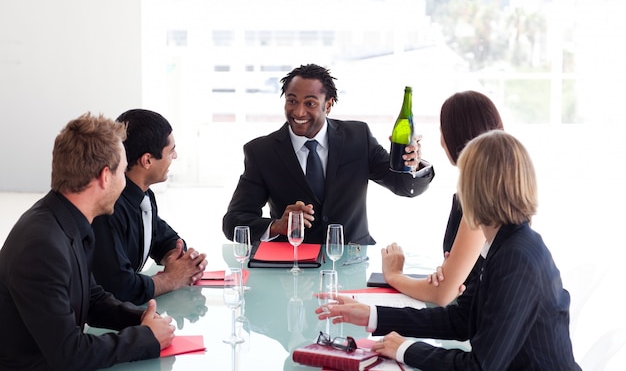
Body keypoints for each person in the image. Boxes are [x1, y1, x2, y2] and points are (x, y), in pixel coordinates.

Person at [316, 130, 581, 371]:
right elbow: (461, 320)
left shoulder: (515, 257)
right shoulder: (507, 244)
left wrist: (406, 349)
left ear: (476, 189)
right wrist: (372, 314)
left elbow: (480, 367)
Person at [0, 113, 174, 370]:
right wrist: (146, 338)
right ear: (106, 177)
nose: (125, 181)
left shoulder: (65, 219)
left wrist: (141, 319)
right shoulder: (43, 246)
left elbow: (92, 298)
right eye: (123, 171)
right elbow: (70, 354)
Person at [222, 63, 434, 245]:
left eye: (310, 103)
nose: (299, 112)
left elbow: (405, 187)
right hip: (292, 266)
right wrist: (277, 226)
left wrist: (412, 165)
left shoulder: (358, 137)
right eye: (292, 100)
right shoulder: (262, 152)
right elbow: (233, 222)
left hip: (352, 260)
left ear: (329, 104)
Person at [381, 91, 503, 306]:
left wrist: (394, 275)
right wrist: (450, 273)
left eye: (441, 130)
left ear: (452, 137)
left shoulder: (483, 198)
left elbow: (442, 295)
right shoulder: (495, 184)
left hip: (478, 323)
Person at [92, 109, 207, 305]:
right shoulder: (108, 208)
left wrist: (177, 258)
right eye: (170, 151)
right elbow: (120, 288)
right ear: (147, 160)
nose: (175, 156)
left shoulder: (143, 195)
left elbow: (163, 238)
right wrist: (171, 278)